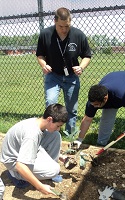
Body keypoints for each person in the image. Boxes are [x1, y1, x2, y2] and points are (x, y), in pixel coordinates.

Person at [36, 7, 91, 135]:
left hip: (71, 76)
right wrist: (43, 65)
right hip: (53, 76)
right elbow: (40, 55)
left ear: (70, 22)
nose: (64, 29)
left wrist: (81, 67)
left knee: (72, 108)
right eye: (61, 26)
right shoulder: (45, 34)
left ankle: (70, 133)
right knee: (51, 103)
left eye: (67, 26)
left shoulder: (78, 35)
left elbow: (87, 55)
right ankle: (51, 132)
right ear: (55, 21)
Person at [74, 71, 125, 151]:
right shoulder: (93, 101)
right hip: (114, 82)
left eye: (97, 105)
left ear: (105, 98)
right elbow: (87, 119)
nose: (94, 107)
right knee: (106, 119)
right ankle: (101, 144)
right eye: (93, 105)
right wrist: (79, 139)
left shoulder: (122, 96)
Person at [0, 104, 68, 195]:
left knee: (55, 135)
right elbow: (20, 165)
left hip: (20, 150)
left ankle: (45, 172)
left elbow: (34, 144)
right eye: (58, 126)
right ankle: (16, 175)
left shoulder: (38, 122)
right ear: (49, 119)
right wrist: (40, 187)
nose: (58, 129)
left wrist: (58, 156)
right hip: (13, 161)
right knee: (54, 169)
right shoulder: (32, 135)